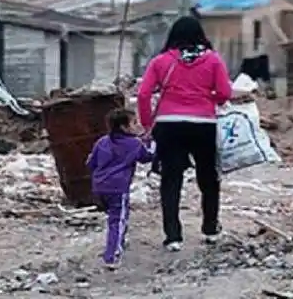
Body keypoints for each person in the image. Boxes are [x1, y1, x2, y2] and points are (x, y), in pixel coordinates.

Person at [137, 15, 232, 252]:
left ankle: (173, 236)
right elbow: (224, 93)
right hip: (203, 124)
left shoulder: (160, 61)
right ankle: (210, 228)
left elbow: (143, 94)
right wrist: (207, 98)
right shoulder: (213, 60)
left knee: (171, 178)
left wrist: (147, 123)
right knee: (208, 177)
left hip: (169, 124)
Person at [86, 108, 155, 270]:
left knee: (117, 217)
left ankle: (119, 242)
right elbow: (147, 157)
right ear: (124, 127)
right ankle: (112, 255)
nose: (137, 126)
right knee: (117, 220)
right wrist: (152, 143)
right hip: (118, 188)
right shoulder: (134, 144)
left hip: (99, 186)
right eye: (134, 123)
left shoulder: (102, 141)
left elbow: (90, 163)